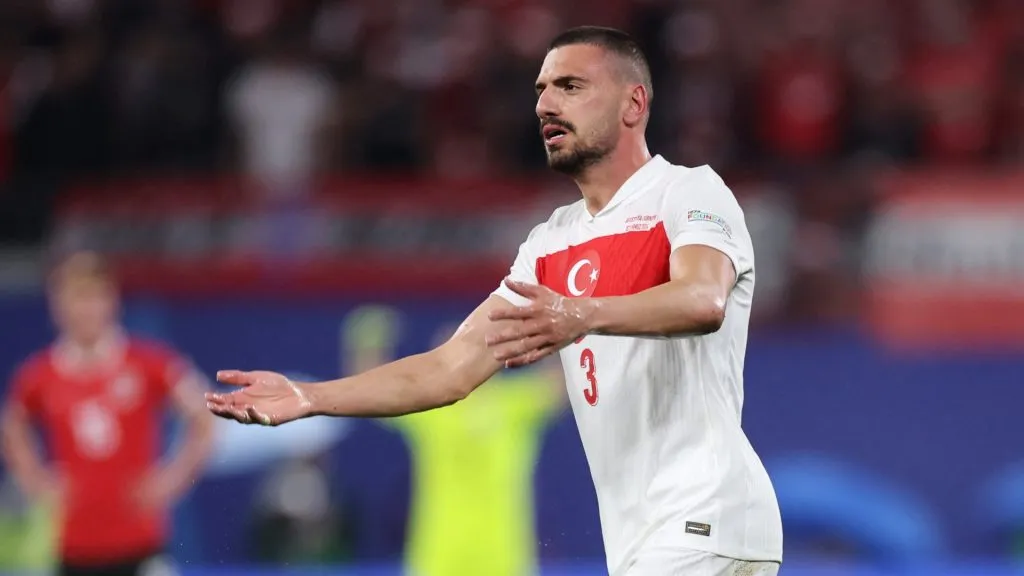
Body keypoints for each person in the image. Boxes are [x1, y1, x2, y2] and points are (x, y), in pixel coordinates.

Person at [207, 26, 783, 576]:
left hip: (706, 514)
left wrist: (582, 314)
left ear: (633, 104)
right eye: (541, 91)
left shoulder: (687, 191)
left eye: (570, 86)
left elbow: (704, 299)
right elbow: (447, 371)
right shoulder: (548, 244)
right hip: (643, 534)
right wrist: (310, 397)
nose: (545, 105)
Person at [1, 252, 215, 576]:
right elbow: (12, 425)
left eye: (93, 296)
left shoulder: (149, 363)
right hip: (73, 548)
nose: (85, 309)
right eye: (76, 297)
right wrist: (35, 479)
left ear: (111, 302)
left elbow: (204, 415)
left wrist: (173, 479)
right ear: (57, 306)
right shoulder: (39, 375)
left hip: (141, 544)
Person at [342, 307, 565, 576]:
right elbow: (372, 393)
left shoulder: (514, 404)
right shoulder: (431, 407)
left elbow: (560, 385)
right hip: (439, 559)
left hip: (503, 559)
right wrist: (368, 341)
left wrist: (554, 322)